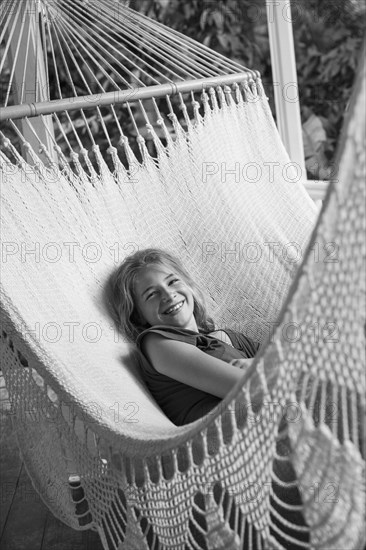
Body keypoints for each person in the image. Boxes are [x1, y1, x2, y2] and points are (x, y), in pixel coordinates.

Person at [105, 247, 260, 426]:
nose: (168, 295)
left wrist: (255, 364)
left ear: (189, 285)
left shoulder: (231, 338)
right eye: (152, 294)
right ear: (138, 315)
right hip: (237, 440)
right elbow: (249, 389)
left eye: (172, 282)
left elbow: (293, 364)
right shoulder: (156, 343)